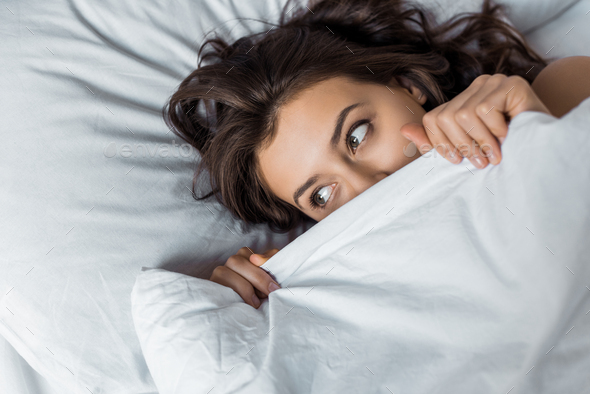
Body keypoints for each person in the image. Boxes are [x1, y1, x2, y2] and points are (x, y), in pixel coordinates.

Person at [163, 0, 590, 308]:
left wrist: (535, 129)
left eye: (357, 135)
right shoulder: (345, 281)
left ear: (409, 86)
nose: (369, 188)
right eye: (322, 196)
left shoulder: (550, 95)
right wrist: (253, 295)